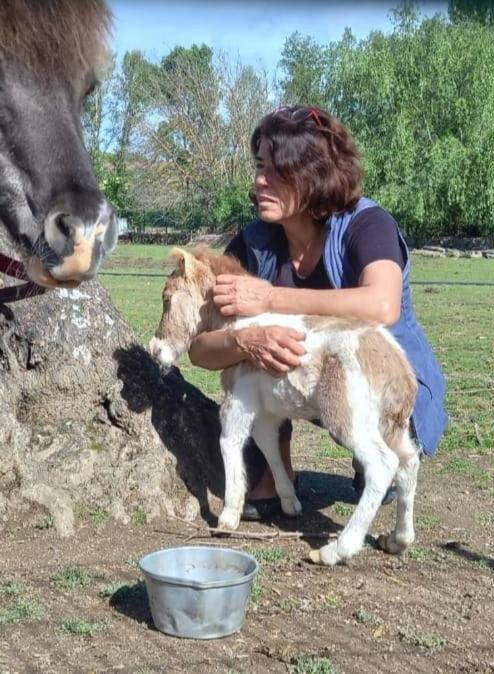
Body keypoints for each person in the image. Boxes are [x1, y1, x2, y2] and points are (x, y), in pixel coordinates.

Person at [189, 105, 447, 520]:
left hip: (384, 377)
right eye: (259, 166)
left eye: (278, 170)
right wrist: (241, 341)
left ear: (314, 176)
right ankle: (278, 473)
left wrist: (271, 300)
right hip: (307, 383)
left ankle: (385, 456)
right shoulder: (253, 243)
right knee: (262, 357)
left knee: (379, 472)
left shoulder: (368, 224)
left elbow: (381, 306)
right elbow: (200, 350)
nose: (260, 181)